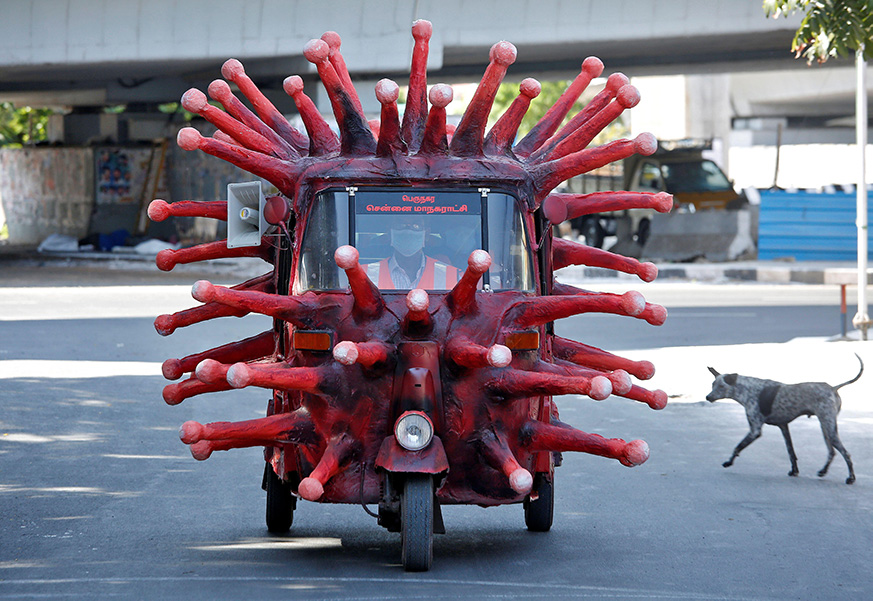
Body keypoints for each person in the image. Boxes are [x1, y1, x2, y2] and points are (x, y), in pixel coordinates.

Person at [365, 215, 459, 289]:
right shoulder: (366, 275)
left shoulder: (451, 276)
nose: (408, 231)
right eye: (400, 225)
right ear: (389, 233)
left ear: (426, 234)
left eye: (416, 226)